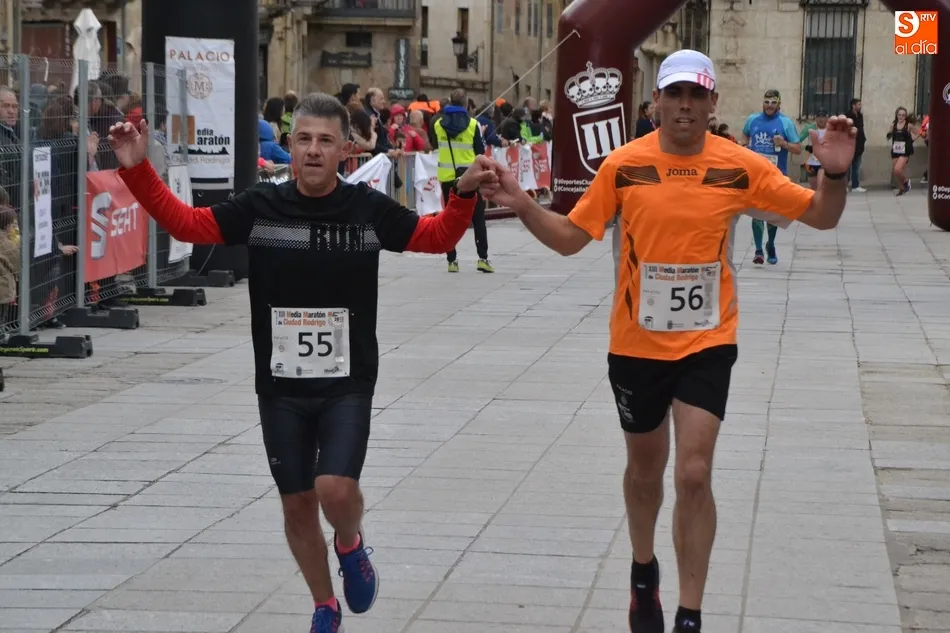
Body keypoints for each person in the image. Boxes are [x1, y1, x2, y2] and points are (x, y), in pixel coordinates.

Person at [478, 49, 855, 633]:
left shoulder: (739, 166)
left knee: (694, 474)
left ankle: (689, 614)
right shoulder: (624, 165)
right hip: (636, 346)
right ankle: (643, 571)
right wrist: (523, 203)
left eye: (696, 95)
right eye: (674, 94)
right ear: (655, 102)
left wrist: (834, 173)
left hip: (708, 342)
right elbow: (571, 238)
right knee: (645, 472)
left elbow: (822, 217)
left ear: (713, 103)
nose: (685, 106)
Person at [108, 92, 499, 633]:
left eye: (325, 141)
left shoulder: (366, 209)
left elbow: (435, 238)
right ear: (289, 146)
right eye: (304, 140)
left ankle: (350, 542)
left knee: (334, 488)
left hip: (347, 380)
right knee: (296, 505)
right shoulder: (261, 206)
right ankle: (324, 606)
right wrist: (137, 169)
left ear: (346, 150)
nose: (313, 150)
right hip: (281, 385)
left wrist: (463, 193)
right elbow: (188, 224)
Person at [433, 88, 493, 273]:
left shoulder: (438, 124)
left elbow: (436, 144)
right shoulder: (473, 124)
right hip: (469, 177)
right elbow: (480, 151)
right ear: (466, 104)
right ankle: (483, 258)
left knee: (449, 218)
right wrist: (482, 134)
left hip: (447, 177)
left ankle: (452, 261)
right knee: (478, 217)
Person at [740, 88, 801, 265]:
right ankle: (758, 250)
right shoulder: (752, 119)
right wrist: (745, 145)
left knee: (773, 214)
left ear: (779, 104)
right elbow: (745, 133)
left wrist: (783, 143)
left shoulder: (785, 122)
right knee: (757, 213)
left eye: (773, 103)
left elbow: (798, 148)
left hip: (777, 175)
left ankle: (771, 244)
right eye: (767, 102)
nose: (769, 106)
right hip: (756, 175)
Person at [887, 106, 918, 196]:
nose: (901, 117)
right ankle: (902, 188)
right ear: (896, 115)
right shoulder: (893, 125)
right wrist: (889, 135)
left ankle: (906, 182)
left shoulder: (908, 125)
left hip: (905, 150)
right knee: (896, 172)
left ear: (905, 116)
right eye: (899, 115)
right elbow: (889, 134)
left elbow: (918, 132)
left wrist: (912, 140)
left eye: (903, 115)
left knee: (898, 169)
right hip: (895, 149)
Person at [803, 109, 829, 190]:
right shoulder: (811, 131)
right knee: (813, 188)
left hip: (823, 163)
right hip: (812, 162)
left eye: (823, 116)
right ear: (815, 118)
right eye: (819, 117)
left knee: (820, 185)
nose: (821, 119)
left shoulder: (830, 132)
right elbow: (808, 147)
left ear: (827, 118)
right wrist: (806, 161)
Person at [844, 98, 866, 192]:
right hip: (850, 144)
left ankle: (855, 186)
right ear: (853, 105)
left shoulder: (860, 115)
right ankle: (844, 186)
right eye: (859, 104)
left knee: (856, 166)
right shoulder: (848, 116)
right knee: (846, 166)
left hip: (859, 144)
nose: (860, 106)